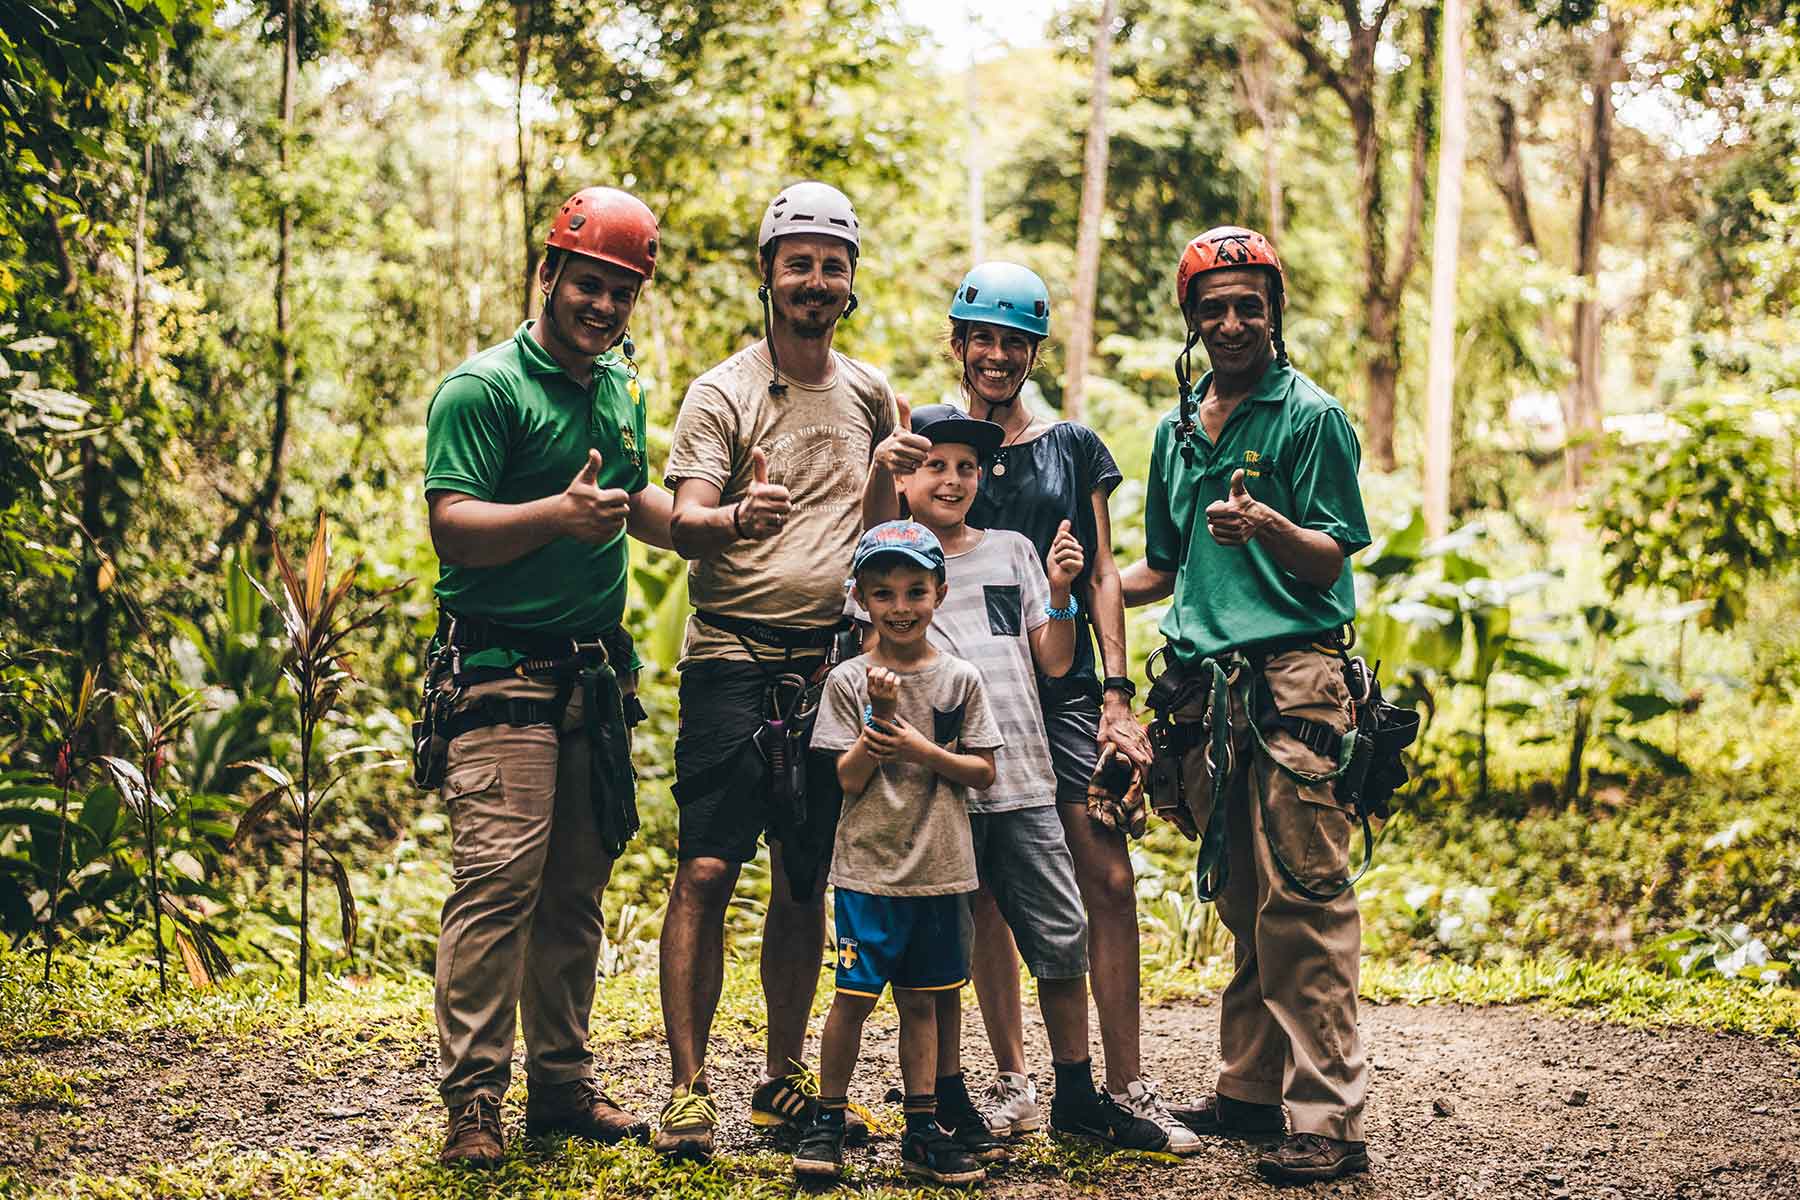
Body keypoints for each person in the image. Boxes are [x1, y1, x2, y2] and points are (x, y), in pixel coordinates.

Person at [863, 263, 1195, 1152]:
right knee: (980, 896)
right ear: (960, 341)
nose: (998, 356)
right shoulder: (931, 437)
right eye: (984, 338)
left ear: (1034, 351)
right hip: (957, 700)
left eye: (1016, 342)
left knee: (1104, 876)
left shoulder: (1072, 446)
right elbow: (885, 556)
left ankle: (1121, 1085)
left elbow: (1100, 576)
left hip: (1059, 687)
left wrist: (1117, 693)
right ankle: (1011, 1079)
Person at [421, 186, 673, 1167]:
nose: (604, 306)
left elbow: (631, 496)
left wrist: (707, 530)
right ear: (550, 275)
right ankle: (474, 1103)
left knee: (575, 890)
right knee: (496, 889)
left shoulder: (620, 386)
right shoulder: (482, 390)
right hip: (498, 674)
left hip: (592, 682)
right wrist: (555, 518)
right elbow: (452, 527)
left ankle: (560, 1087)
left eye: (623, 291)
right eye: (591, 284)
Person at [1120, 225, 1374, 1183]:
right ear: (1191, 319)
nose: (1231, 322)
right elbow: (1164, 565)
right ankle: (1251, 1093)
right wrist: (1078, 581)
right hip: (1206, 694)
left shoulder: (1311, 418)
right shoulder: (1177, 428)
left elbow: (1335, 554)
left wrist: (1268, 523)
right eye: (1213, 307)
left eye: (1248, 306)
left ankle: (1330, 1121)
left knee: (1305, 896)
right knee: (1243, 897)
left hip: (1297, 680)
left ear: (1273, 314)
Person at [654, 181, 897, 1159]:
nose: (814, 279)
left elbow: (888, 525)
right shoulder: (723, 391)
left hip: (828, 667)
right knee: (707, 867)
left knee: (805, 879)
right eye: (796, 261)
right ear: (767, 275)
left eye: (831, 264)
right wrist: (735, 520)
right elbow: (681, 519)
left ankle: (784, 1078)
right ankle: (686, 1087)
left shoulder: (873, 392)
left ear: (849, 283)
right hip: (731, 660)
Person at [794, 521, 1003, 1186]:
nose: (901, 606)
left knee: (922, 1002)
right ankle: (827, 1121)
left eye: (916, 590)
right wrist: (879, 724)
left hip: (941, 872)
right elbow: (847, 780)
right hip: (867, 874)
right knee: (851, 1000)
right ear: (862, 598)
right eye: (884, 594)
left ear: (939, 593)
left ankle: (922, 1128)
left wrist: (923, 749)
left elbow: (983, 773)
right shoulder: (849, 682)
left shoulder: (960, 680)